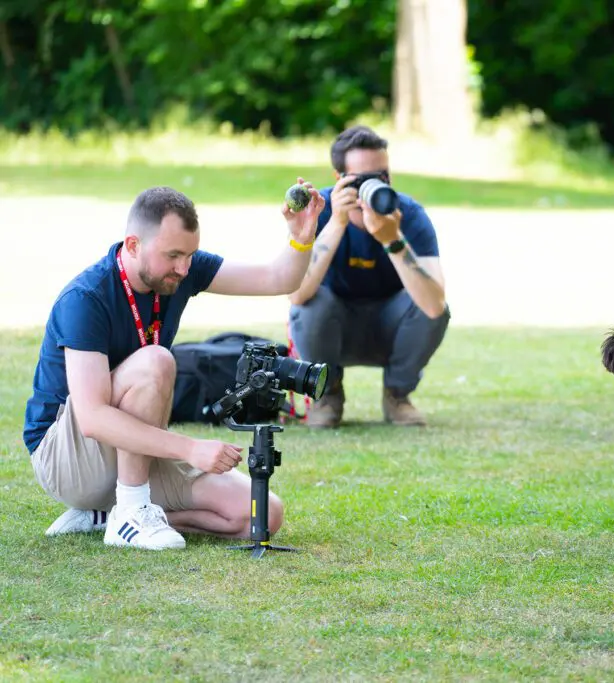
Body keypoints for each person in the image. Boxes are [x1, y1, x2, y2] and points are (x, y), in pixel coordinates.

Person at [24, 182, 325, 550]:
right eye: (173, 256)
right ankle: (131, 510)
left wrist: (301, 237)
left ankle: (106, 516)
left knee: (261, 514)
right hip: (69, 457)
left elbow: (277, 279)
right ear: (133, 245)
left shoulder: (180, 270)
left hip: (134, 449)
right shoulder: (86, 298)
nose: (184, 268)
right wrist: (189, 448)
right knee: (156, 361)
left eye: (190, 255)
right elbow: (92, 417)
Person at [288, 125, 450, 428]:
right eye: (365, 180)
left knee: (429, 298)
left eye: (383, 176)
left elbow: (434, 306)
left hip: (391, 328)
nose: (376, 187)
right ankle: (328, 394)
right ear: (340, 179)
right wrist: (337, 222)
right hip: (331, 326)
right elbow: (296, 295)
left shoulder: (408, 214)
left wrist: (393, 239)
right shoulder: (318, 210)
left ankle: (397, 396)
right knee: (311, 302)